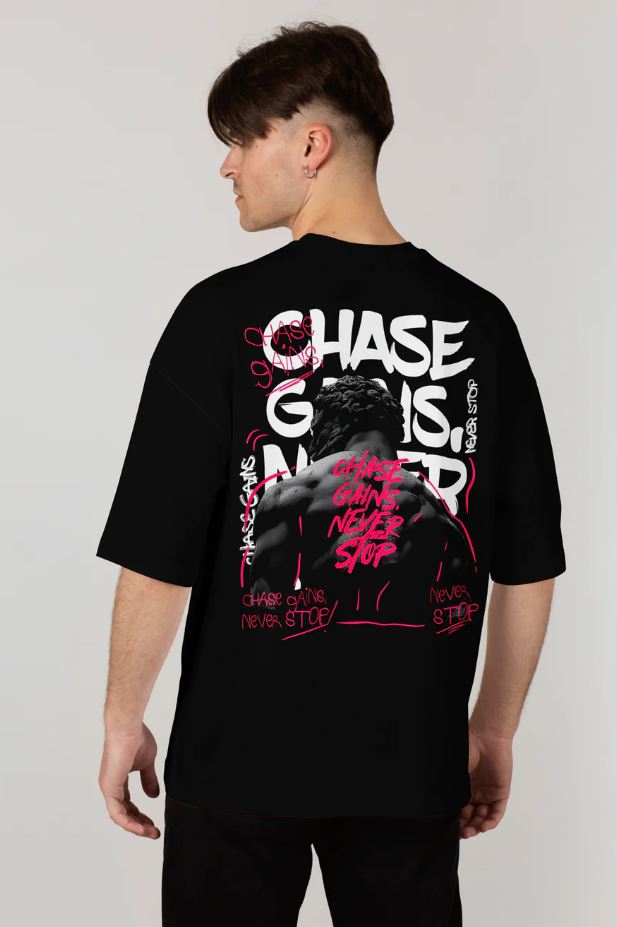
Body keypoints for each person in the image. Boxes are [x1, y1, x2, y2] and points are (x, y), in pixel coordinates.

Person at [96, 21, 566, 927]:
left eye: (242, 140)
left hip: (239, 763)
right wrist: (492, 726)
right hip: (411, 764)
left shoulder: (219, 316)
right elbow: (528, 558)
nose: (228, 165)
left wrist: (123, 718)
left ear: (310, 144)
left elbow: (159, 548)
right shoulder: (480, 324)